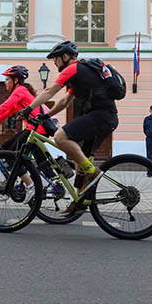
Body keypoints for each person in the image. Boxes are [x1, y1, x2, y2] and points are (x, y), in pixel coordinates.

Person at [25, 41, 119, 199]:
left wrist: (28, 109)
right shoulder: (80, 75)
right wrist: (46, 115)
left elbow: (49, 91)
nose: (54, 62)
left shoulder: (73, 68)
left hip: (101, 116)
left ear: (65, 56)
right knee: (79, 160)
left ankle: (93, 172)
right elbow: (64, 102)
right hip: (105, 118)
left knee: (60, 137)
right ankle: (80, 202)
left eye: (55, 58)